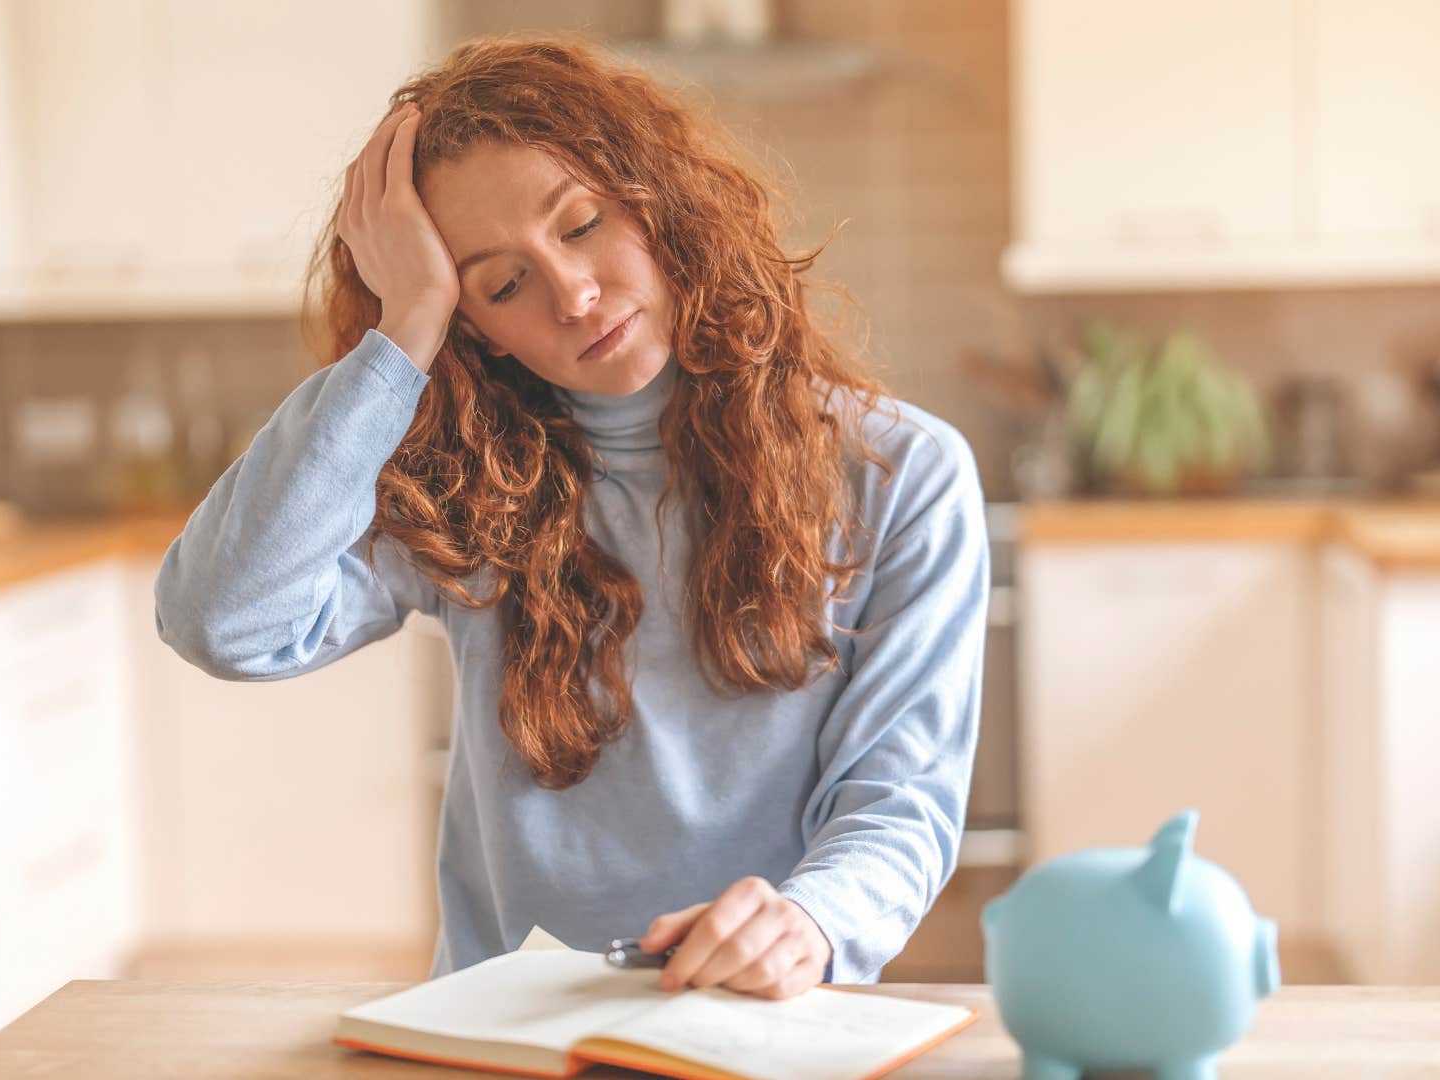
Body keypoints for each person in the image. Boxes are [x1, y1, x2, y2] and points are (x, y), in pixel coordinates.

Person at [154, 33, 989, 1000]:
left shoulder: (902, 473)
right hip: (503, 1035)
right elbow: (223, 621)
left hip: (765, 1024)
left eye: (582, 224)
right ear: (476, 331)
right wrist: (404, 326)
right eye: (502, 284)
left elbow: (899, 802)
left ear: (655, 197)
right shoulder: (464, 485)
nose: (575, 294)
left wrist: (810, 923)